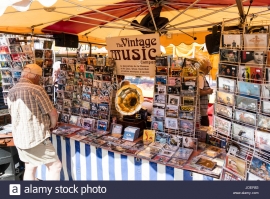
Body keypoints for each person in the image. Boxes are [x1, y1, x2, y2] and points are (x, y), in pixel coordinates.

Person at [7, 64, 61, 180]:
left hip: (20, 138)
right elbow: (53, 113)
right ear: (34, 76)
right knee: (55, 166)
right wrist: (52, 125)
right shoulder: (36, 89)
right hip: (36, 138)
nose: (39, 80)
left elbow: (12, 114)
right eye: (39, 77)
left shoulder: (12, 90)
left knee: (30, 167)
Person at [197, 56, 213, 126]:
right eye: (210, 67)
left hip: (202, 111)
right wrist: (208, 92)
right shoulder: (201, 77)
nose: (210, 69)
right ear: (207, 67)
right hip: (201, 112)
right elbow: (198, 92)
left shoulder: (201, 76)